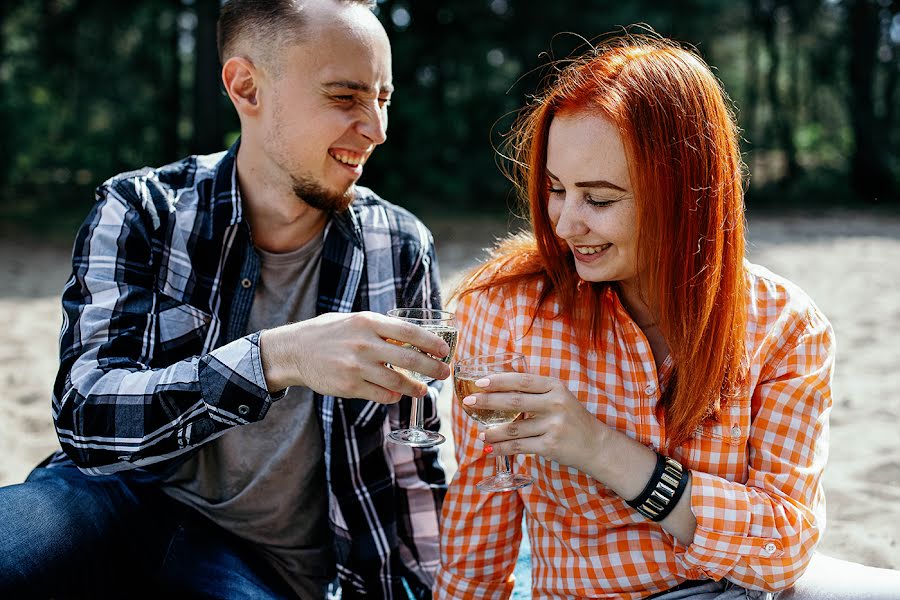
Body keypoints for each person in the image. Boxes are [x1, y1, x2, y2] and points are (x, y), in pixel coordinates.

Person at [0, 1, 449, 598]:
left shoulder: (398, 246)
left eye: (383, 99)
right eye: (346, 97)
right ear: (246, 87)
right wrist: (275, 359)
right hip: (113, 499)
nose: (377, 128)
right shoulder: (143, 212)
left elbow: (413, 467)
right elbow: (88, 417)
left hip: (264, 567)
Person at [436, 34, 900, 599]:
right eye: (556, 190)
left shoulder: (783, 325)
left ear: (684, 193)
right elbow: (479, 531)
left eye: (599, 199)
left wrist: (602, 450)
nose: (564, 224)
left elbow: (784, 550)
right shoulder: (504, 311)